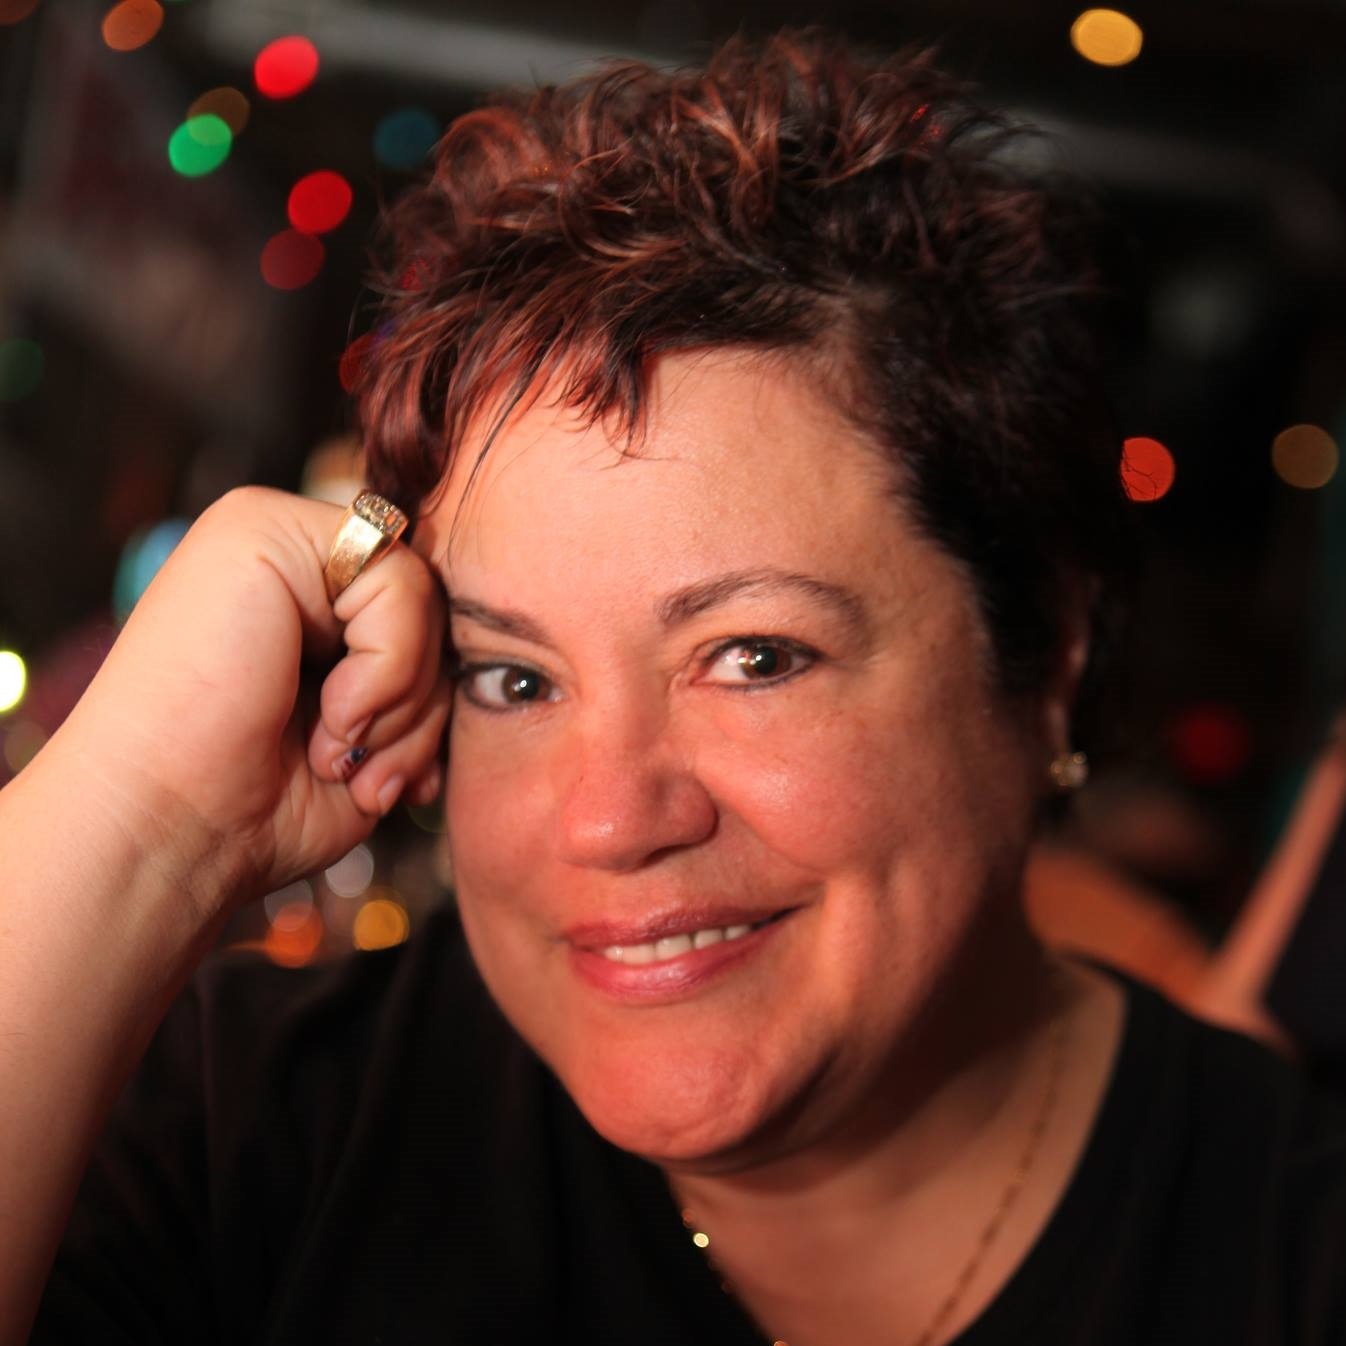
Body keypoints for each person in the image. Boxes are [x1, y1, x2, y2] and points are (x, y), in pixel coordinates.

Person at [7, 29, 1346, 1346]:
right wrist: (141, 823)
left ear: (1045, 654)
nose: (607, 817)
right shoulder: (259, 1131)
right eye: (513, 677)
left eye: (755, 657)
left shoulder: (1292, 1250)